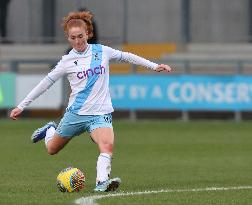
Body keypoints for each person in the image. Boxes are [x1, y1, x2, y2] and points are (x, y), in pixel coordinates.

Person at [10, 11, 172, 192]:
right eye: (73, 38)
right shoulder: (67, 61)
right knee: (52, 149)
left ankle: (101, 182)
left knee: (107, 145)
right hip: (76, 114)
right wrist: (21, 105)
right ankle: (50, 130)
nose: (78, 41)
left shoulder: (102, 51)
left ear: (88, 34)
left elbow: (126, 56)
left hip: (100, 113)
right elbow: (46, 82)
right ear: (68, 38)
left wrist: (154, 66)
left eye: (81, 36)